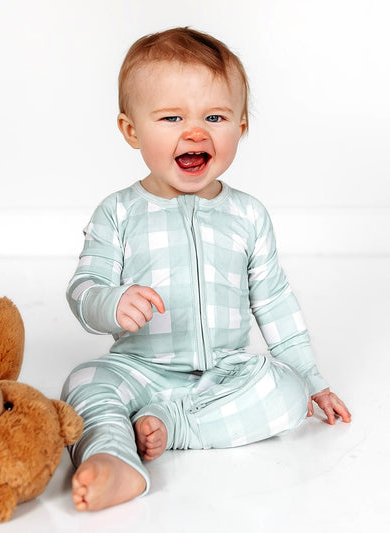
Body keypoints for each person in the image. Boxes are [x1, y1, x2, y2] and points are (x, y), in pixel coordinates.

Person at [61, 27, 351, 512]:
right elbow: (84, 288)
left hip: (225, 375)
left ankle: (172, 425)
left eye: (214, 117)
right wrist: (112, 302)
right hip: (141, 369)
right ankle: (111, 456)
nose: (195, 132)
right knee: (84, 382)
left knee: (288, 394)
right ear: (131, 131)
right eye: (172, 117)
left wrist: (312, 379)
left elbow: (274, 301)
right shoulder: (118, 212)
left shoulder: (249, 215)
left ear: (241, 127)